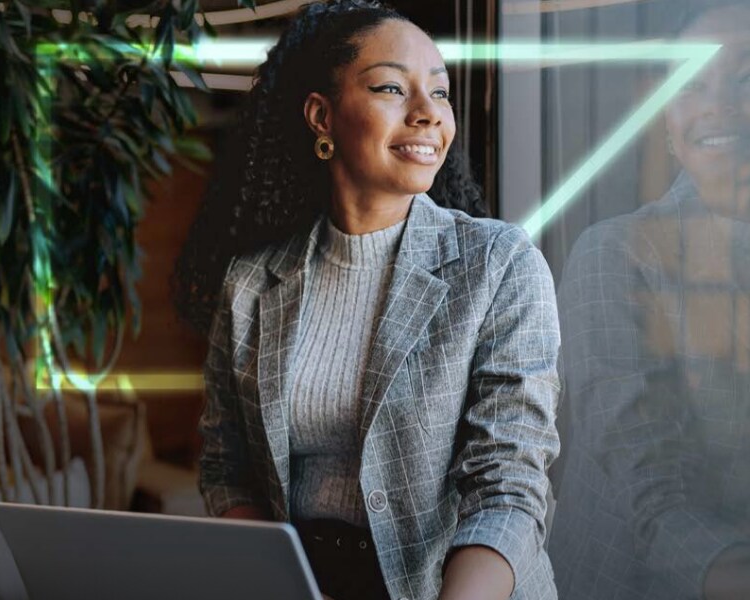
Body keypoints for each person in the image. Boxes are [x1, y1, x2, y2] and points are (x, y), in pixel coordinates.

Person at [170, 1, 561, 599]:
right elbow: (229, 469)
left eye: (441, 92)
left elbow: (508, 486)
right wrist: (274, 581)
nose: (429, 114)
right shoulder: (251, 283)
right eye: (391, 88)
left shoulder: (499, 265)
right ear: (321, 116)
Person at [548, 1, 750, 599]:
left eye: (747, 77)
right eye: (692, 84)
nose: (718, 103)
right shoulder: (616, 255)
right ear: (667, 121)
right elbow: (653, 492)